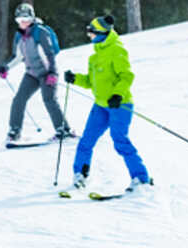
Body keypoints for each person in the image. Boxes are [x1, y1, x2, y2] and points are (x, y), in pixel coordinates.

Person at [62, 14, 151, 193]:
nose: (89, 36)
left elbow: (126, 76)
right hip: (100, 106)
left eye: (91, 33)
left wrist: (117, 95)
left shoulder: (117, 50)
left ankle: (141, 178)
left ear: (101, 33)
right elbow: (90, 82)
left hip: (120, 106)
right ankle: (80, 175)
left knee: (120, 141)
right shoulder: (94, 57)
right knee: (86, 141)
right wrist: (75, 78)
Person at [0, 3, 75, 144]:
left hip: (47, 73)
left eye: (26, 19)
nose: (23, 22)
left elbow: (49, 55)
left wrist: (52, 73)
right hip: (32, 74)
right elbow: (18, 56)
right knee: (19, 99)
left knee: (49, 99)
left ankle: (64, 130)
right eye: (20, 20)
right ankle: (14, 131)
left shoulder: (41, 32)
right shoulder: (19, 36)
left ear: (32, 18)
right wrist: (6, 67)